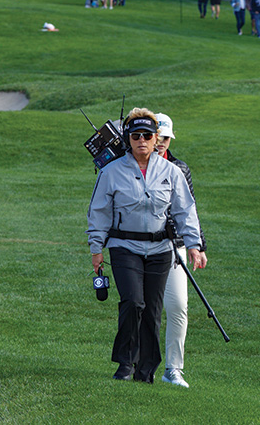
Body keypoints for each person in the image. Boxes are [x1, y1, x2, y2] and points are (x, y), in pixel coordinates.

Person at [87, 108, 205, 383]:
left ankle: (146, 370)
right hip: (123, 246)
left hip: (160, 249)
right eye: (136, 135)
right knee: (133, 302)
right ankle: (125, 363)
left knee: (152, 310)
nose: (142, 140)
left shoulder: (171, 172)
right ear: (128, 138)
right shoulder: (111, 171)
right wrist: (96, 249)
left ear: (156, 139)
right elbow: (99, 211)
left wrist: (194, 245)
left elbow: (185, 210)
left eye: (148, 136)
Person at [152, 113, 207, 389]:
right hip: (142, 245)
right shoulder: (132, 167)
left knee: (178, 306)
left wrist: (198, 246)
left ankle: (173, 369)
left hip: (176, 247)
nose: (161, 143)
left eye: (165, 138)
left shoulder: (180, 168)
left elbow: (190, 209)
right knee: (144, 307)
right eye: (157, 137)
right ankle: (139, 363)